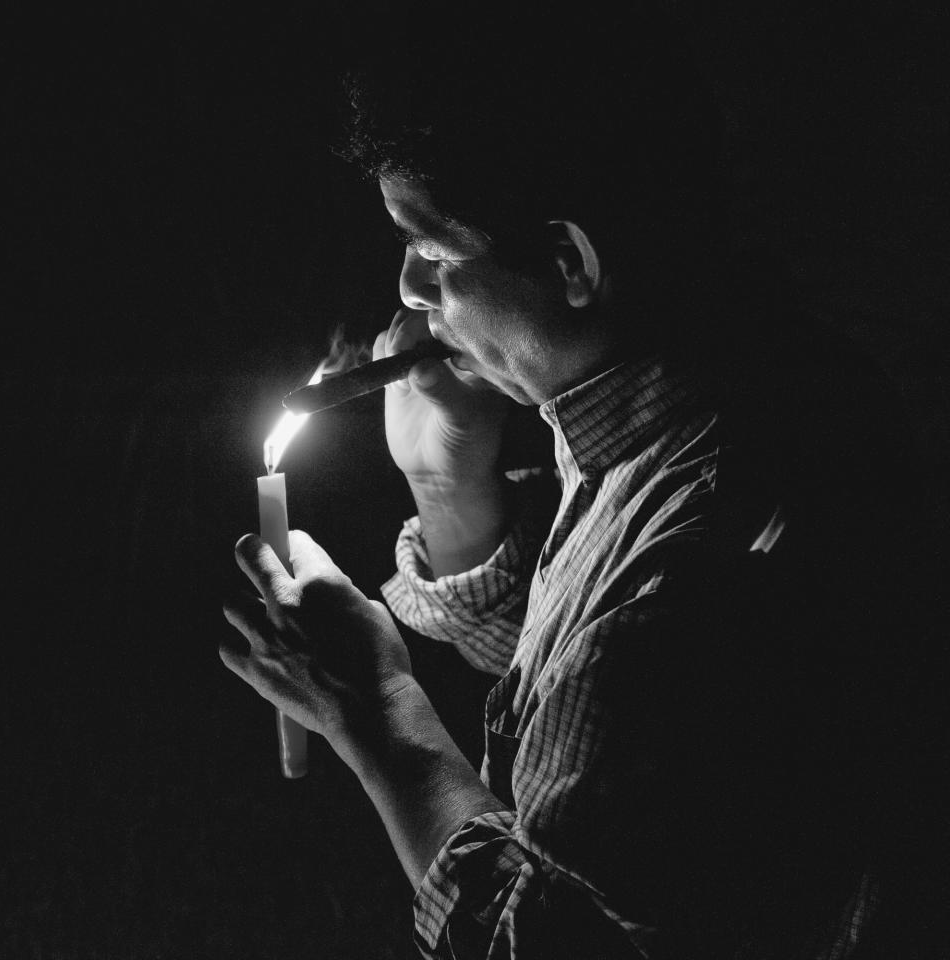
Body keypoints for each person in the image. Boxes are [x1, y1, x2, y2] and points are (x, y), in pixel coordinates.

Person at [220, 15, 940, 959]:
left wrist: (377, 712)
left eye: (433, 251)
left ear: (570, 262)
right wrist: (447, 487)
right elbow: (584, 696)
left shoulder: (719, 545)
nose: (408, 290)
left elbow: (549, 938)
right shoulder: (698, 388)